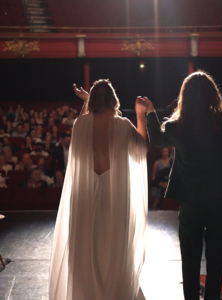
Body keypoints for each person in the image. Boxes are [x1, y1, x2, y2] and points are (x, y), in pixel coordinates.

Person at [144, 71, 222, 300]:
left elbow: (157, 138)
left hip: (191, 201)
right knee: (217, 255)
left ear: (185, 97)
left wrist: (150, 111)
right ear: (212, 94)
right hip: (221, 201)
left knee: (190, 258)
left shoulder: (175, 127)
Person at [49, 79, 148, 300]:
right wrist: (141, 115)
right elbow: (143, 147)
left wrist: (86, 102)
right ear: (114, 100)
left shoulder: (80, 125)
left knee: (86, 247)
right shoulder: (122, 125)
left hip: (85, 197)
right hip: (114, 198)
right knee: (113, 247)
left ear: (92, 101)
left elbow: (84, 121)